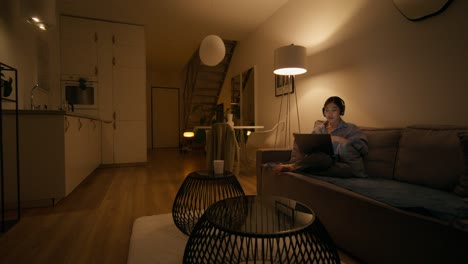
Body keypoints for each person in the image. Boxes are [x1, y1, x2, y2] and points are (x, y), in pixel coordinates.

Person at [273, 96, 368, 178]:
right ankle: (297, 167)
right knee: (323, 158)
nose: (330, 114)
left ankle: (297, 167)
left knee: (343, 169)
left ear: (341, 111)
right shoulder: (318, 129)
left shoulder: (351, 128)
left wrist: (341, 140)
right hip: (321, 161)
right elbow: (309, 149)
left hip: (340, 164)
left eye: (334, 110)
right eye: (327, 110)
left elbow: (363, 149)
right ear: (324, 112)